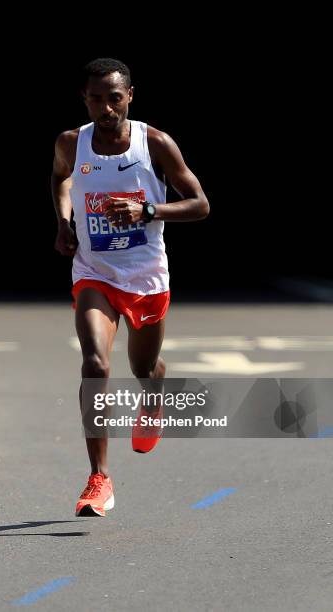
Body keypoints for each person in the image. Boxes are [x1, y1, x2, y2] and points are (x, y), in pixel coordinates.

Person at [51, 58, 209, 517]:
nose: (106, 107)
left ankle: (154, 395)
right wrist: (64, 223)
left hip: (145, 276)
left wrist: (149, 212)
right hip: (94, 271)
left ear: (130, 96)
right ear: (85, 99)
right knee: (95, 363)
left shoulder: (153, 142)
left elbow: (200, 204)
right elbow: (61, 178)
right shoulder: (70, 142)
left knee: (143, 367)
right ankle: (98, 478)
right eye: (97, 99)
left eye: (114, 97)